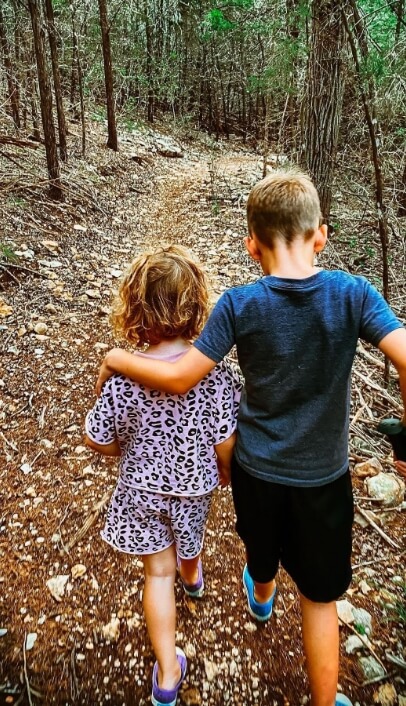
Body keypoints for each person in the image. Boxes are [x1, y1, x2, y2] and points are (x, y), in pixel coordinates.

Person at [95, 171, 406, 706]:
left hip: (256, 470)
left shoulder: (239, 304)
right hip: (323, 479)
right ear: (321, 235)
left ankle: (260, 594)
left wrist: (114, 358)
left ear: (251, 245)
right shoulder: (354, 294)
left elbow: (180, 377)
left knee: (261, 553)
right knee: (318, 598)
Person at [85, 246, 242, 706]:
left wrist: (123, 449)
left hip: (138, 489)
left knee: (157, 573)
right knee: (188, 544)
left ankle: (168, 676)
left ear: (134, 307)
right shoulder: (213, 376)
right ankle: (193, 579)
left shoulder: (122, 379)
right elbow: (226, 439)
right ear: (197, 307)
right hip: (193, 490)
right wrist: (226, 470)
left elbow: (96, 437)